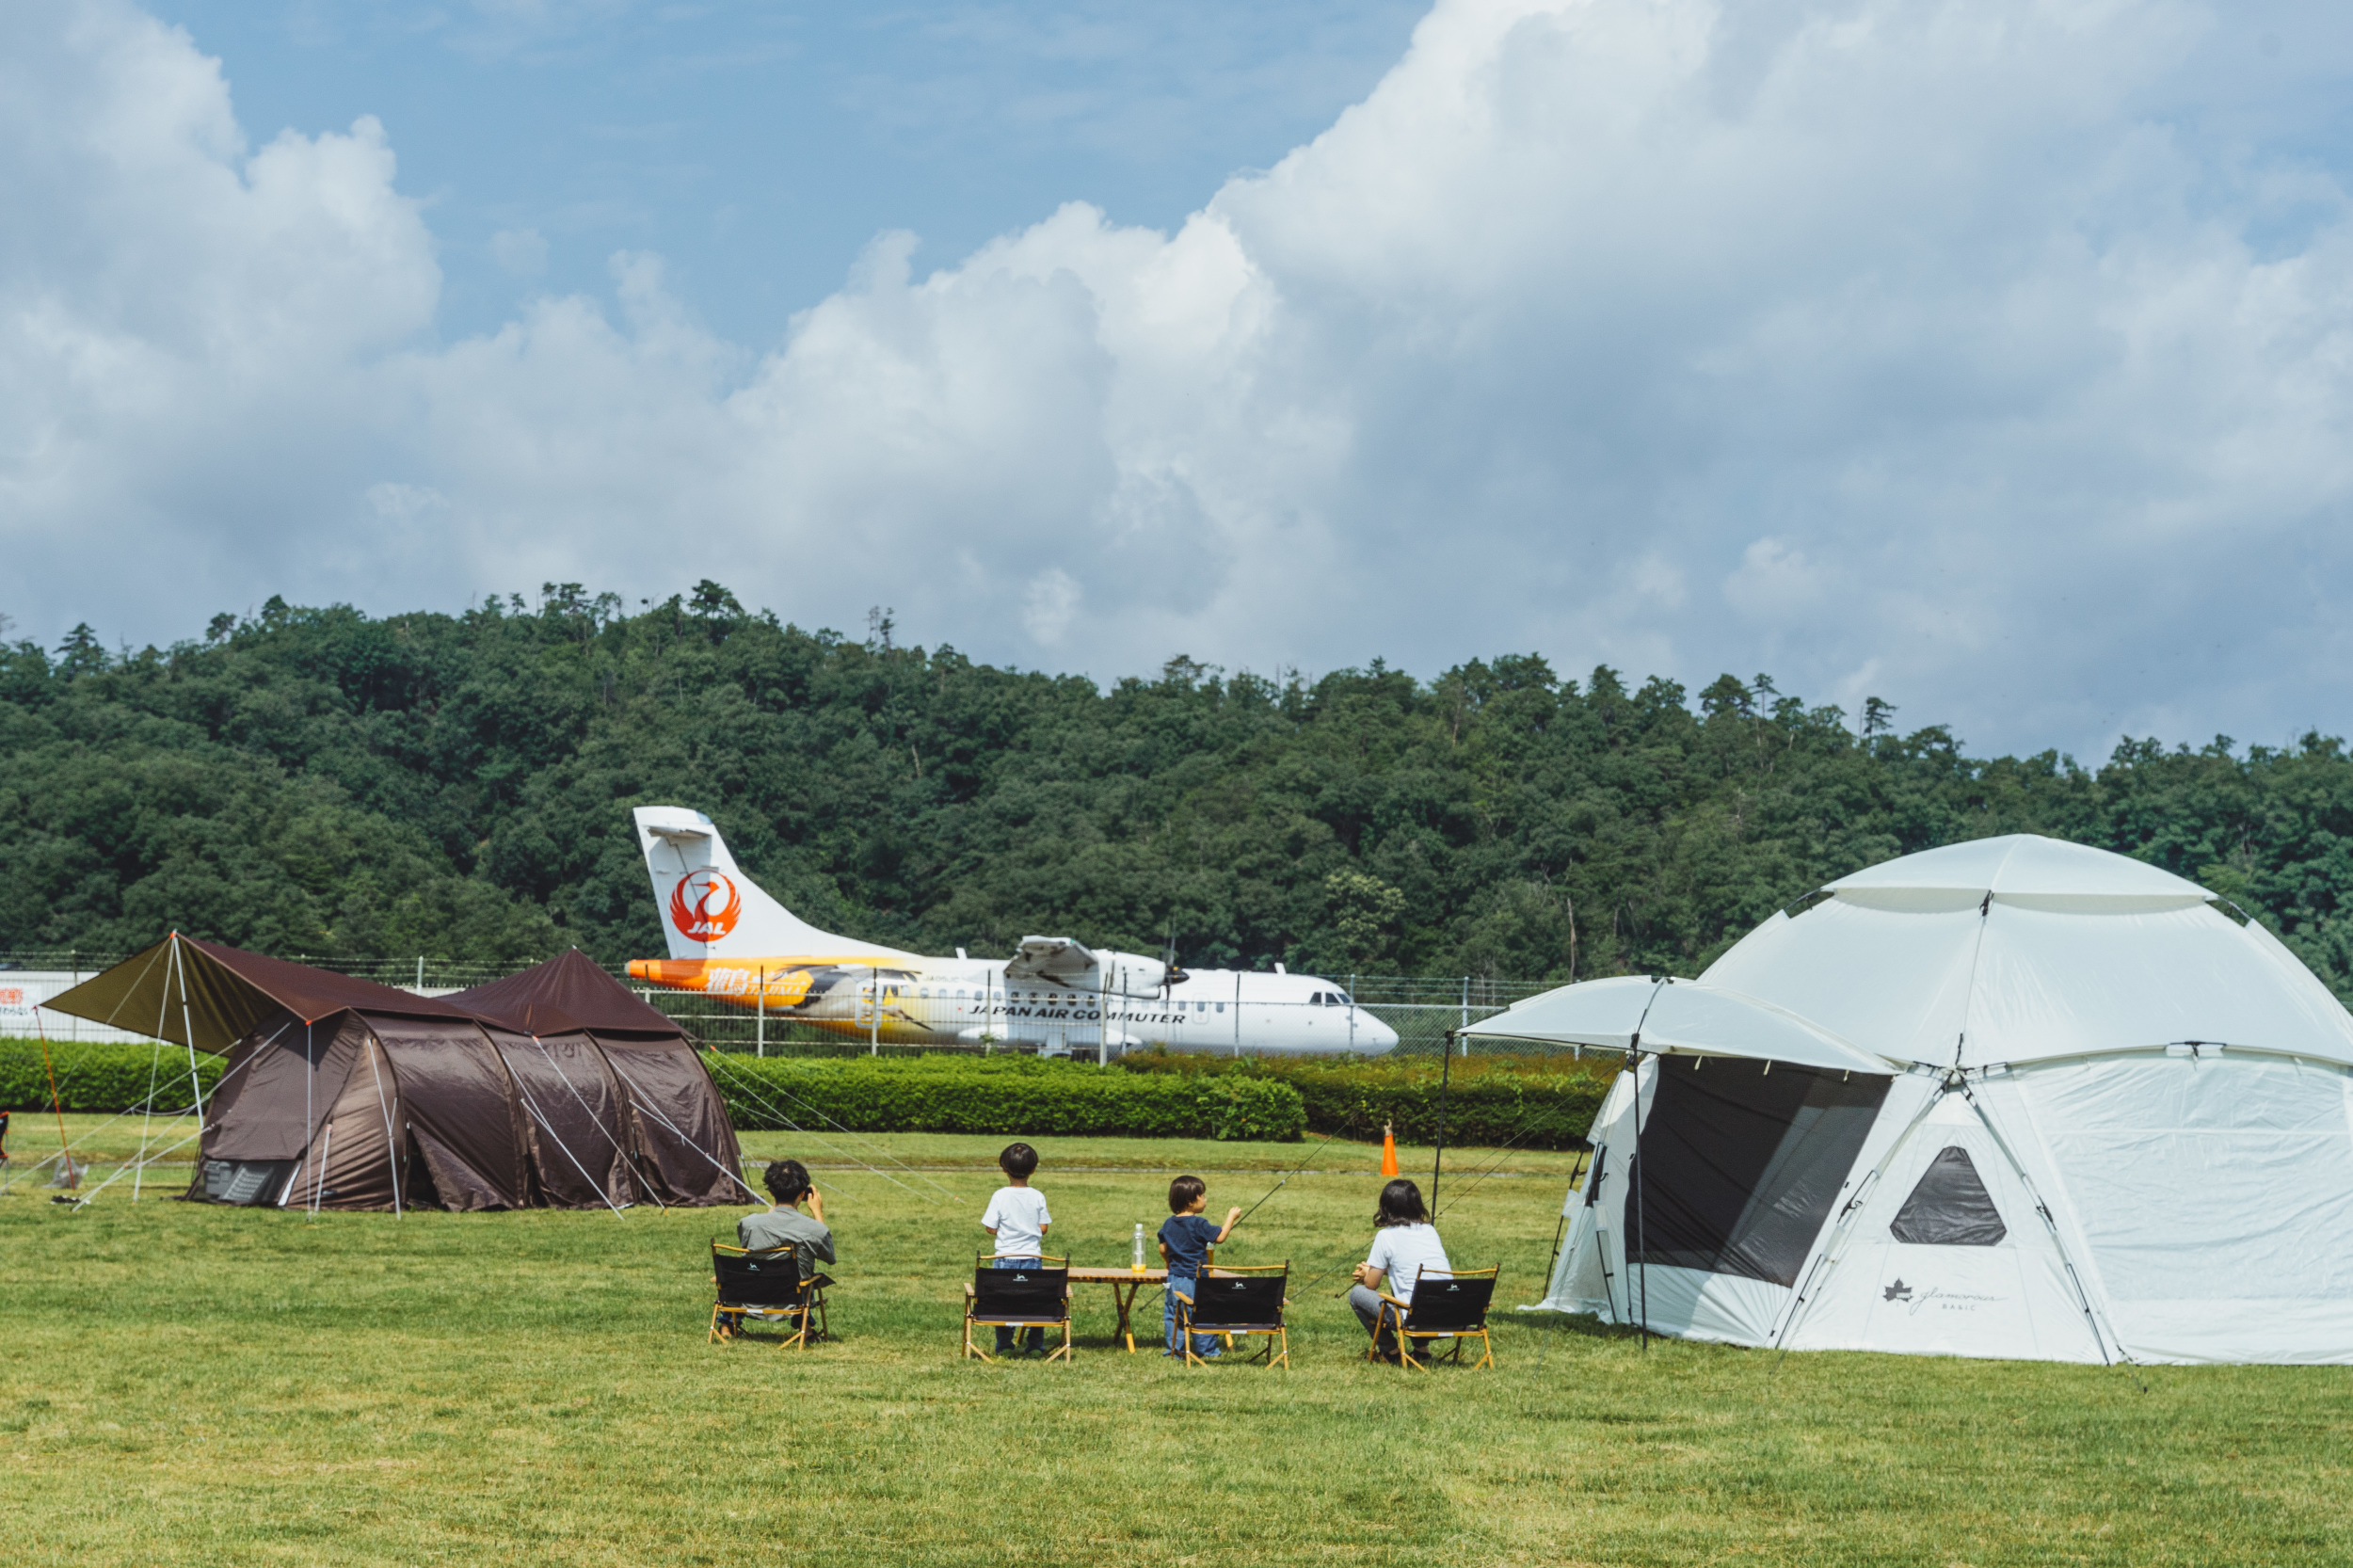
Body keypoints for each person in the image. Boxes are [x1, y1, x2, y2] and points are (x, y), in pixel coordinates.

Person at [1349, 1177, 1450, 1361]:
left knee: (1357, 1294)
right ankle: (1421, 1352)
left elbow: (1371, 1285)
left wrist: (1367, 1273)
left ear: (1386, 1206)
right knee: (1407, 1287)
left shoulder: (1385, 1236)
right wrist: (1381, 1270)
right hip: (1448, 1314)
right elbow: (1410, 1269)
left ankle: (1391, 1352)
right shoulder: (1430, 1231)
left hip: (1415, 1318)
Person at [980, 1142, 1052, 1355]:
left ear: (1003, 1168)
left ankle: (1004, 1344)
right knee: (1034, 1300)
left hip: (1004, 1258)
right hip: (1032, 1258)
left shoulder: (1000, 1196)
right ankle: (1035, 1344)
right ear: (1033, 1169)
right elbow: (1044, 1228)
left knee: (1003, 1301)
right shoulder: (1038, 1196)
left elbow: (990, 1228)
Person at [1160, 1175, 1242, 1359]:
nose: (1205, 1199)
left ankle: (1176, 1350)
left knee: (1175, 1315)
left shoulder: (1168, 1223)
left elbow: (1162, 1247)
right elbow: (1219, 1237)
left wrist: (1168, 1262)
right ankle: (1208, 1351)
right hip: (1195, 1279)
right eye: (1203, 1195)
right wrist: (1231, 1218)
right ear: (1191, 1201)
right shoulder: (1199, 1223)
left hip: (1174, 1279)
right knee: (1203, 1314)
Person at [738, 1159, 835, 1283]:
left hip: (753, 1299)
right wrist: (818, 1213)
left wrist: (772, 1213)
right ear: (802, 1194)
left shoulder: (748, 1223)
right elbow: (829, 1257)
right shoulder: (814, 1229)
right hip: (793, 1300)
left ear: (771, 1193)